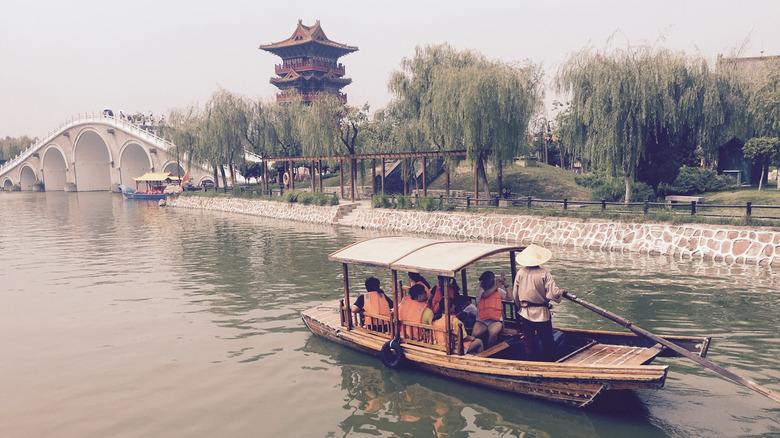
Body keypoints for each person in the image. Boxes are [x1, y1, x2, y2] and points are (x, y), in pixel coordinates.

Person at [512, 244, 566, 361]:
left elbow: (515, 295)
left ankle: (530, 364)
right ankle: (551, 363)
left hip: (525, 312)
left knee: (529, 343)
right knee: (547, 341)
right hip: (541, 313)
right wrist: (561, 292)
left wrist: (519, 307)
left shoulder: (520, 273)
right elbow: (553, 293)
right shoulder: (544, 273)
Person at [472, 271, 507, 348]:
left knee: (493, 332)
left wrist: (506, 285)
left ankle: (491, 350)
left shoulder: (499, 291)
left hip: (496, 320)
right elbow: (484, 295)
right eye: (489, 279)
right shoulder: (479, 290)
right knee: (475, 334)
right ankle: (474, 349)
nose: (491, 280)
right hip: (482, 320)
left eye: (492, 279)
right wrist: (496, 286)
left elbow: (509, 298)